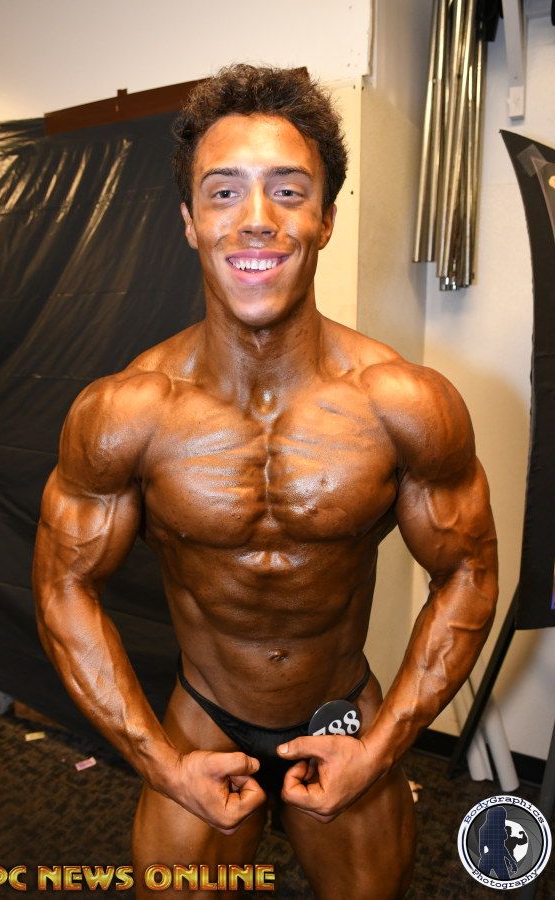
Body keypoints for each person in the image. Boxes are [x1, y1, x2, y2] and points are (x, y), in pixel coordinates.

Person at [32, 64, 498, 899]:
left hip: (342, 712)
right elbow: (63, 587)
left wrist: (380, 750)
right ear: (189, 221)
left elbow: (468, 571)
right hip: (203, 716)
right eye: (223, 192)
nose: (256, 219)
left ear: (325, 219)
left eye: (288, 191)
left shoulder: (404, 405)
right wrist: (161, 764)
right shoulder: (127, 413)